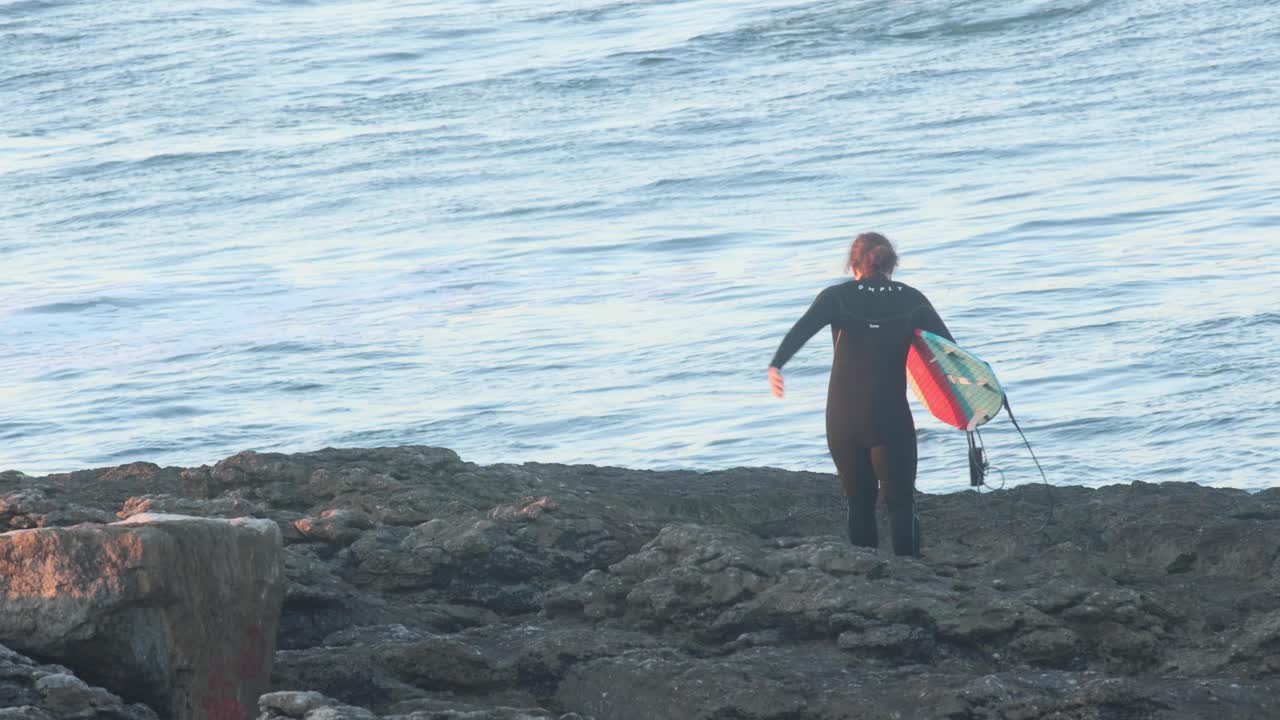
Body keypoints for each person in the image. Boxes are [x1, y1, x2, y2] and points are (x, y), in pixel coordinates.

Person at [768, 232, 953, 557]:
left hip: (843, 419)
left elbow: (801, 330)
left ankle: (868, 575)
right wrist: (978, 399)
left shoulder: (835, 297)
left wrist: (776, 366)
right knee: (900, 505)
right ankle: (908, 576)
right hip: (890, 417)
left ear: (854, 266)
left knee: (859, 503)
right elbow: (952, 354)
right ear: (891, 266)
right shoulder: (913, 300)